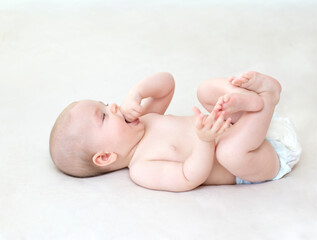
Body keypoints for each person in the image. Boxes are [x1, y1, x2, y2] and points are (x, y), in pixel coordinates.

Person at [49, 71, 301, 192]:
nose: (112, 106)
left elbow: (166, 83)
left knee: (205, 91)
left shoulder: (145, 119)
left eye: (104, 102)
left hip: (249, 128)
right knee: (228, 154)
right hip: (257, 160)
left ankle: (249, 100)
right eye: (103, 115)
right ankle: (267, 97)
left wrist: (135, 93)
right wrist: (205, 141)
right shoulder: (142, 168)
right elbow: (188, 177)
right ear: (105, 157)